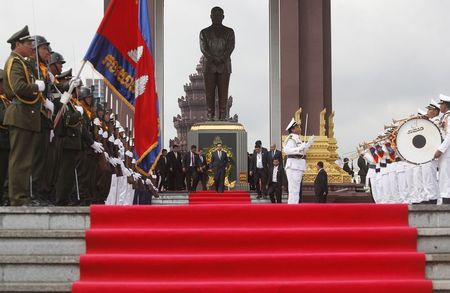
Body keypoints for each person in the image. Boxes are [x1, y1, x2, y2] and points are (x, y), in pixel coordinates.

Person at [3, 26, 47, 206]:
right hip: (21, 115)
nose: (31, 46)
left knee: (25, 161)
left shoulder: (23, 63)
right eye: (28, 43)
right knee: (20, 160)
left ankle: (20, 196)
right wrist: (37, 87)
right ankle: (18, 199)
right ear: (18, 44)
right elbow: (18, 88)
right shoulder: (14, 62)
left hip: (27, 116)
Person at [200, 6, 235, 121]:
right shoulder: (204, 32)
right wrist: (214, 58)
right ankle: (210, 115)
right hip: (209, 66)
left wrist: (221, 58)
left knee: (223, 93)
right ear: (210, 17)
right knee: (209, 93)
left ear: (223, 17)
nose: (216, 17)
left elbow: (231, 47)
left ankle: (222, 116)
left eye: (219, 15)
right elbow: (203, 48)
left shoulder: (229, 32)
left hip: (224, 66)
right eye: (214, 15)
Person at [283, 118, 315, 204]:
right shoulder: (291, 138)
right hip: (294, 165)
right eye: (297, 127)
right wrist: (300, 148)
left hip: (298, 165)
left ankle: (294, 206)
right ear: (293, 129)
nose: (300, 128)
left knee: (296, 190)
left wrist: (308, 145)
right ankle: (292, 208)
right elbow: (287, 150)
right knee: (293, 189)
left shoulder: (298, 139)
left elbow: (302, 152)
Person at [434, 94, 450, 204]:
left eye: (441, 104)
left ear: (446, 105)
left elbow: (449, 135)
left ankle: (447, 203)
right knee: (443, 177)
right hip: (445, 151)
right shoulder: (445, 117)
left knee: (446, 177)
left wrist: (440, 150)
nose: (440, 107)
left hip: (447, 151)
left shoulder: (449, 117)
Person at [0, 69, 10, 205]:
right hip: (1, 141)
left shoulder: (5, 100)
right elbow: (3, 117)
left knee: (4, 173)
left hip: (5, 142)